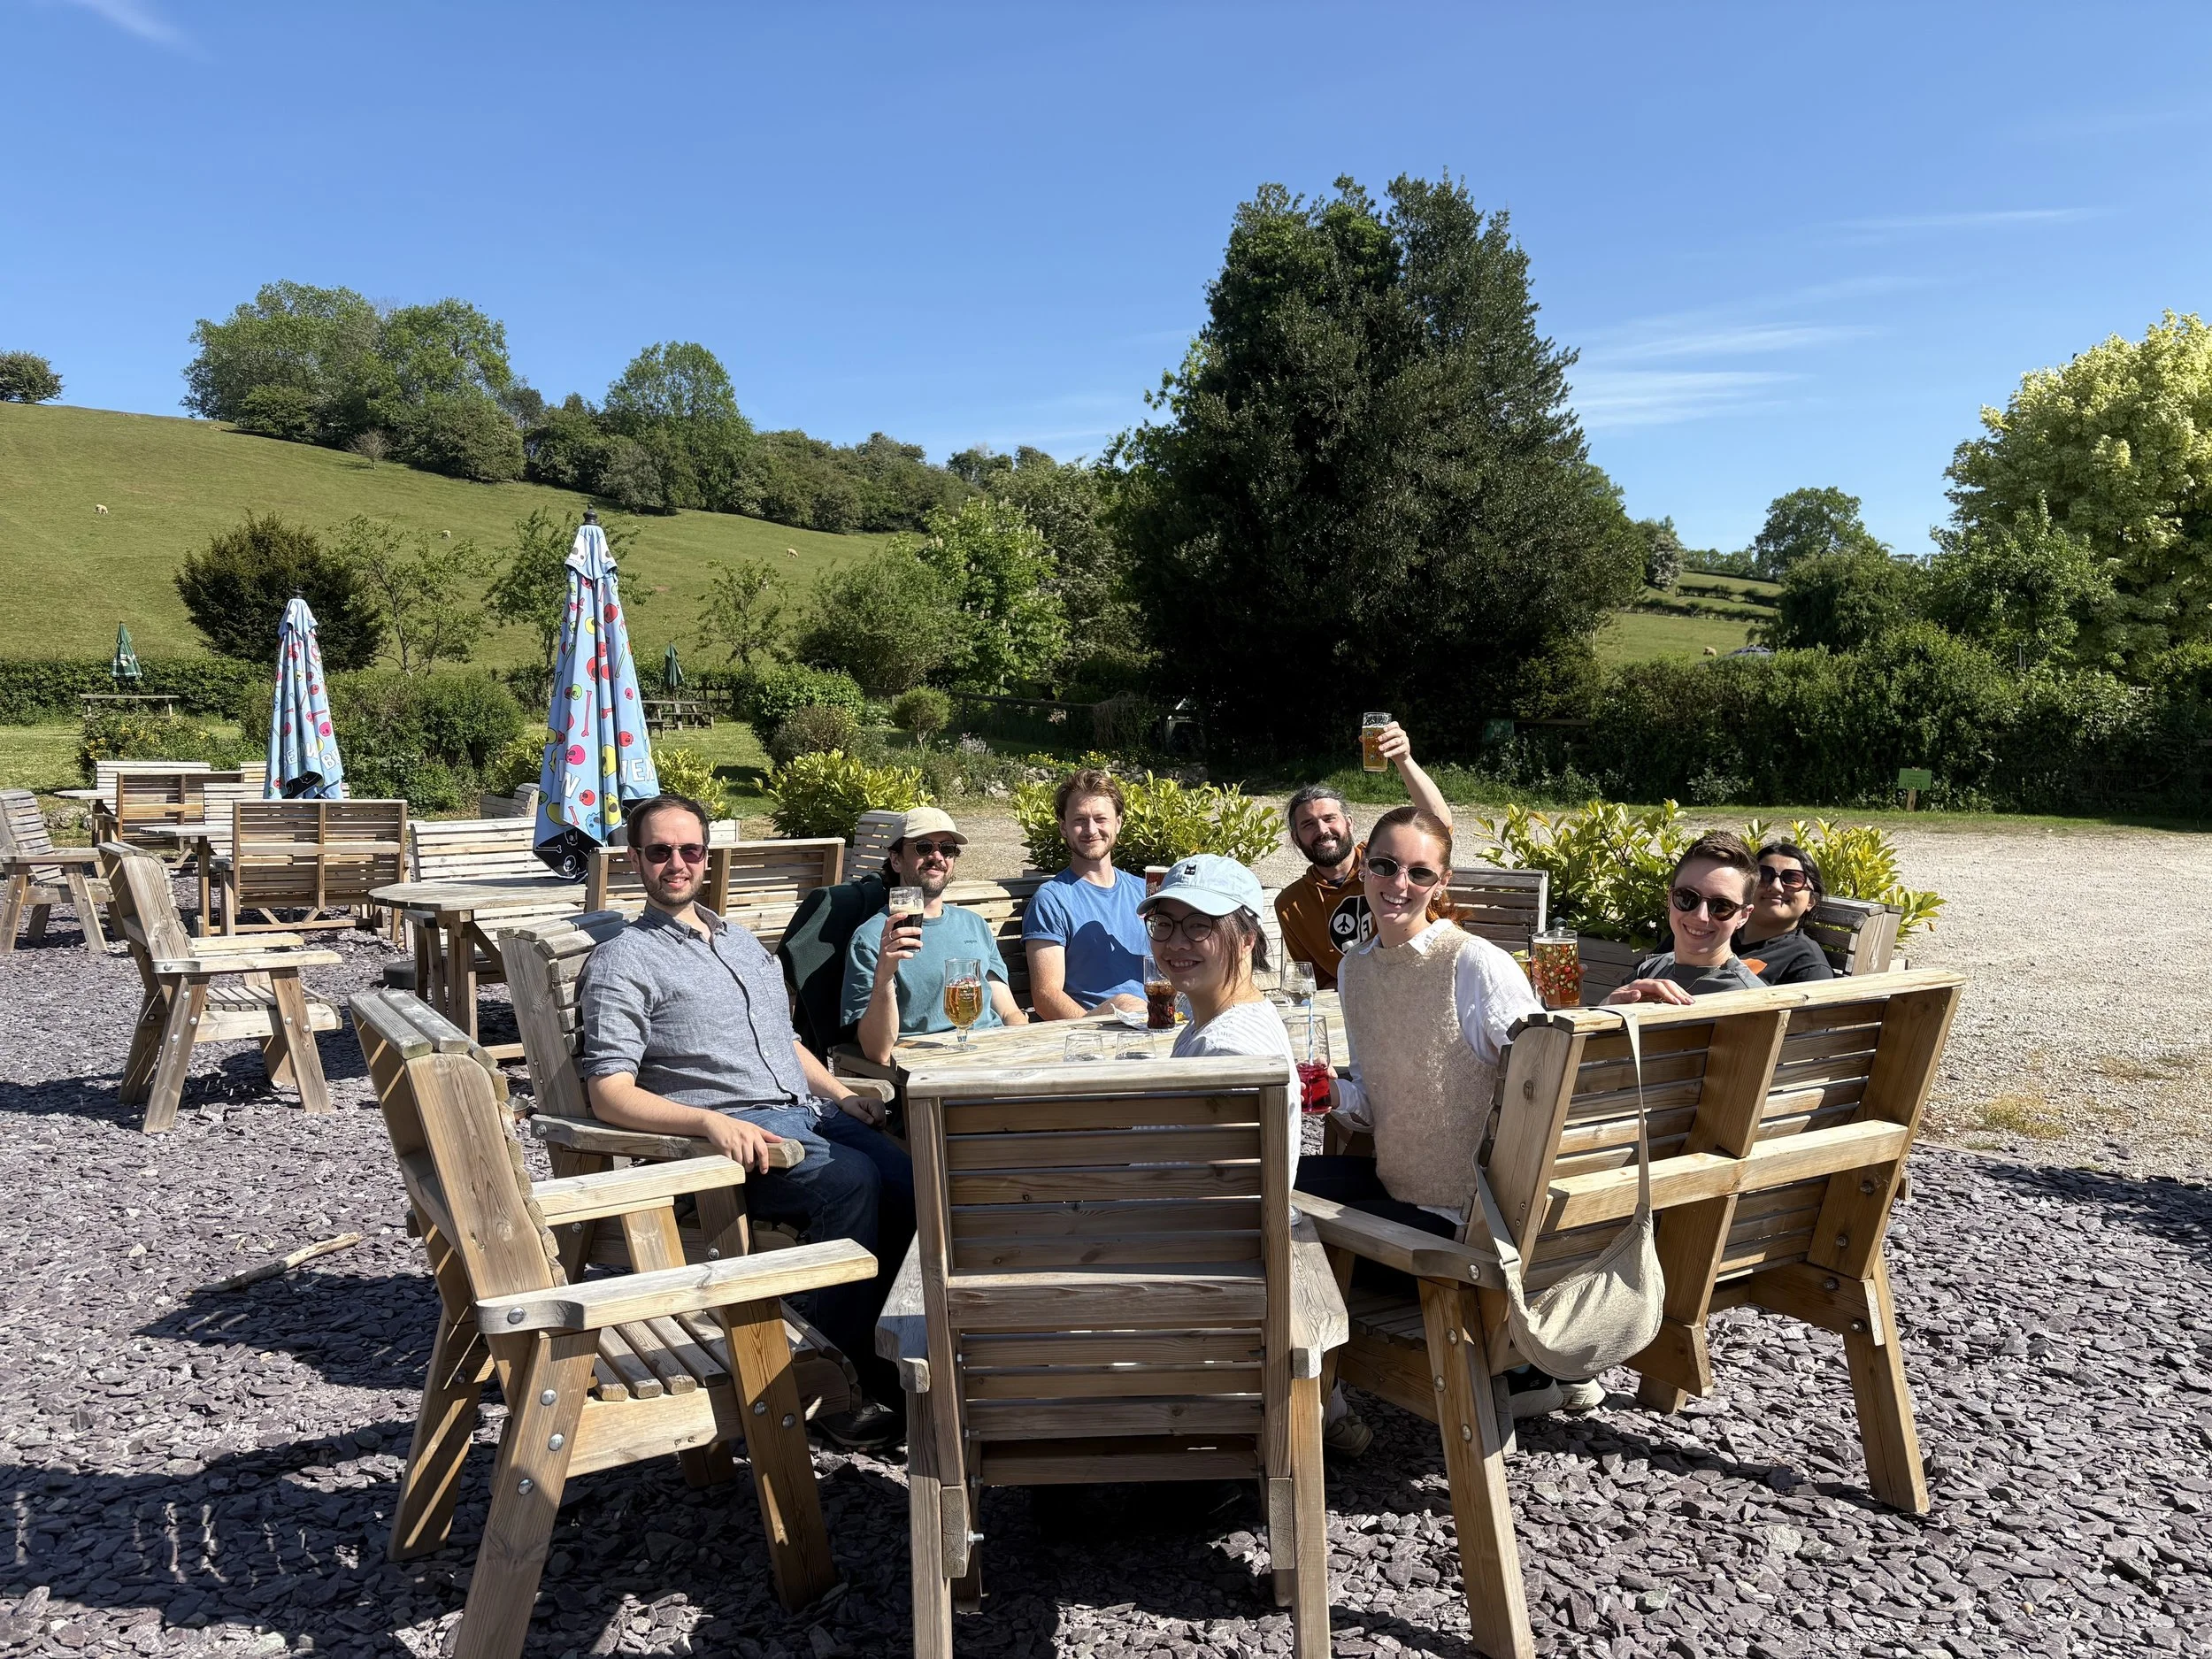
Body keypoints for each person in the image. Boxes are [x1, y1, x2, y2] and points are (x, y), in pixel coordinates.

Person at [577, 792, 912, 1450]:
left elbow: (783, 1042)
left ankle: (888, 1359)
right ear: (635, 860)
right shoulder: (625, 960)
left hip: (808, 1111)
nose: (676, 863)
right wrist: (706, 1123)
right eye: (659, 851)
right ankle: (827, 1383)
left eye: (690, 850)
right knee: (851, 1183)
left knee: (912, 1175)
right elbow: (608, 1094)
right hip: (733, 1138)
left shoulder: (735, 939)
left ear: (707, 858)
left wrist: (842, 1093)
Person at [1296, 805, 1594, 1441]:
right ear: (1363, 868)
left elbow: (1540, 1085)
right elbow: (1379, 1102)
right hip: (1397, 1184)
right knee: (1268, 1182)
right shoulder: (1356, 970)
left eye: (1418, 872)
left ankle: (1322, 1397)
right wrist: (1325, 1092)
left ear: (1442, 883)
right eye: (1384, 865)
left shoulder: (1474, 964)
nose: (1398, 883)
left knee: (1287, 1223)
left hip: (1462, 1220)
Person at [1137, 854, 1300, 1181]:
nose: (1176, 943)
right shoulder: (1227, 1020)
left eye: (1199, 925)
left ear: (1246, 939)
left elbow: (1222, 1190)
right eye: (1164, 924)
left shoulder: (1226, 1053)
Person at [1274, 721, 1455, 990]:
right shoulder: (1292, 905)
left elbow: (1439, 826)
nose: (1322, 830)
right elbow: (1316, 981)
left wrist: (1404, 760)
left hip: (1429, 981)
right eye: (1308, 825)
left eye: (1329, 818)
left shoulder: (1387, 863)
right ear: (1295, 838)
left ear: (1349, 822)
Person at [843, 807, 1028, 1064]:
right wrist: (884, 976)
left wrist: (1026, 1043)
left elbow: (1008, 1011)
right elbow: (877, 1051)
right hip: (931, 1067)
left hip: (995, 1056)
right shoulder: (874, 938)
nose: (937, 856)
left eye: (948, 849)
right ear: (895, 860)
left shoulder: (974, 924)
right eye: (923, 847)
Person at [1024, 768, 1148, 1019]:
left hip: (1158, 1023)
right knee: (1126, 1003)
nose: (1091, 830)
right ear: (1063, 828)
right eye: (1079, 820)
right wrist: (1095, 1027)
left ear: (1119, 823)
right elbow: (1046, 996)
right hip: (1095, 1033)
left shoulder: (1144, 892)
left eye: (1101, 819)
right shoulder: (1052, 900)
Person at [1606, 832, 1767, 1004]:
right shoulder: (1650, 969)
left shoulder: (1749, 999)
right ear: (1670, 898)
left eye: (1721, 906)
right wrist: (1607, 1006)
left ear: (1743, 916)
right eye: (1687, 897)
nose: (1700, 916)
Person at [1734, 839, 1835, 986]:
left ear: (1811, 901)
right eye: (1764, 875)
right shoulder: (1718, 932)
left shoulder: (1808, 965)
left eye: (1793, 879)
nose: (1776, 887)